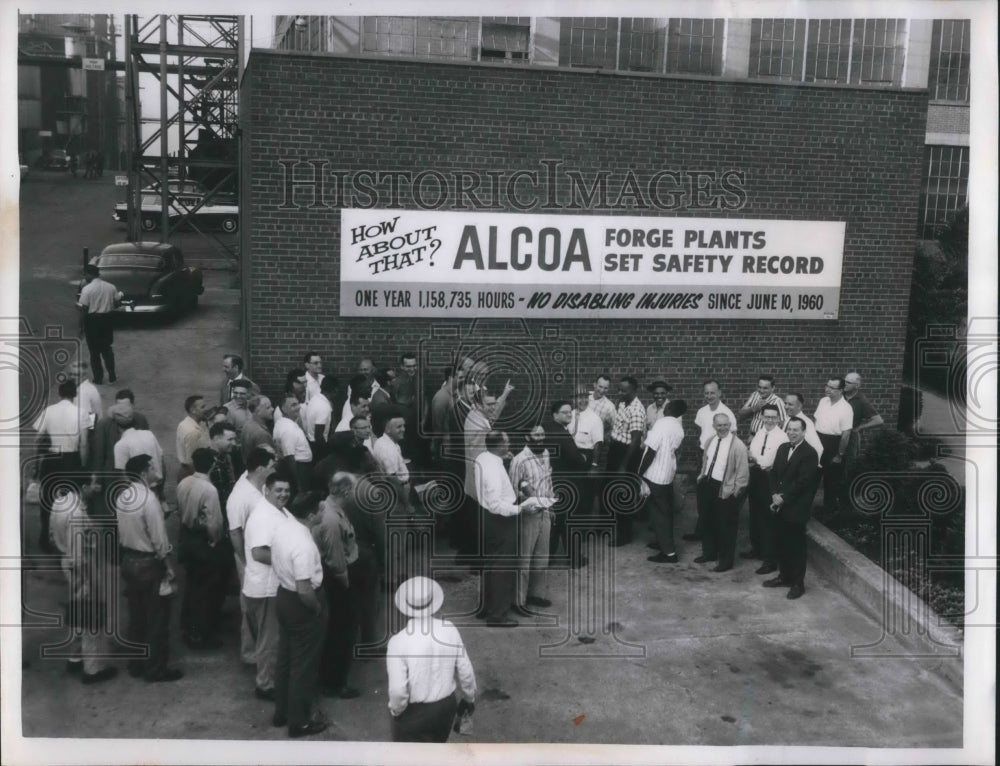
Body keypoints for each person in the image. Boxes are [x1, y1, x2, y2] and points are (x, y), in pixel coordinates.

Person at [115, 454, 182, 682]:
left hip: (129, 560)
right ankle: (156, 669)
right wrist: (168, 565)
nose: (156, 471)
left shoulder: (123, 496)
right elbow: (159, 539)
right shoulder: (149, 500)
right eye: (152, 467)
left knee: (137, 615)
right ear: (144, 472)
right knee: (157, 618)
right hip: (148, 563)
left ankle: (137, 663)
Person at [386, 576, 477, 743]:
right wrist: (469, 698)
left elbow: (398, 691)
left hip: (415, 713)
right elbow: (466, 672)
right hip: (445, 707)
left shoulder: (398, 642)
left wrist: (396, 712)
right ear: (433, 604)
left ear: (405, 608)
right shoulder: (449, 629)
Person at [270, 489, 328, 738]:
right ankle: (300, 721)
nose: (324, 513)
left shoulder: (284, 528)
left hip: (283, 595)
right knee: (303, 665)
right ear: (312, 514)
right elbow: (305, 589)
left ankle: (281, 711)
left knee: (285, 658)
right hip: (301, 602)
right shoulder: (303, 544)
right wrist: (317, 608)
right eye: (321, 509)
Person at [49, 472, 117, 683]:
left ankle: (75, 657)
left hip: (66, 560)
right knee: (90, 617)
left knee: (78, 613)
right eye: (95, 484)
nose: (98, 488)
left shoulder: (60, 502)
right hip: (82, 566)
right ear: (84, 486)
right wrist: (87, 581)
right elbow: (79, 554)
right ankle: (93, 670)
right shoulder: (77, 514)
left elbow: (51, 536)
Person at [475, 431, 541, 628]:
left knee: (491, 564)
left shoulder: (484, 457)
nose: (509, 445)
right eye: (507, 443)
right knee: (503, 568)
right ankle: (498, 615)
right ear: (500, 446)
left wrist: (503, 459)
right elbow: (496, 504)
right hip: (500, 519)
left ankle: (486, 607)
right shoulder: (494, 470)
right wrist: (521, 507)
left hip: (486, 516)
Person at [313, 472, 369, 700]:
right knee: (341, 632)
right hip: (339, 582)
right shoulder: (332, 520)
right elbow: (336, 561)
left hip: (338, 576)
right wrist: (347, 586)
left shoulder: (330, 508)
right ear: (345, 491)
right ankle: (336, 683)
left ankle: (332, 678)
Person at [243, 471, 293, 702]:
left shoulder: (276, 510)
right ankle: (265, 684)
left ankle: (270, 678)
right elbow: (259, 552)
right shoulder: (264, 516)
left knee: (270, 637)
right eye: (278, 490)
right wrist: (292, 559)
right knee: (268, 640)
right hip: (265, 588)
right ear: (267, 490)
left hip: (271, 586)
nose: (284, 494)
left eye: (287, 490)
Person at [227, 446, 277, 666]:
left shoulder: (255, 483)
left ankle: (256, 649)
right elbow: (235, 531)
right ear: (259, 469)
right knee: (250, 605)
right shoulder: (240, 497)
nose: (274, 468)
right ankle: (250, 653)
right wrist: (245, 562)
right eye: (271, 465)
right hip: (249, 557)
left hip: (259, 554)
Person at [176, 448, 228, 650]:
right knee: (206, 590)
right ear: (213, 465)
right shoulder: (209, 490)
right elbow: (214, 523)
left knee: (192, 585)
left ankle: (187, 626)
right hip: (202, 540)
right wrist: (215, 542)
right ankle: (202, 633)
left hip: (187, 536)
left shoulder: (183, 483)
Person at [765, 417, 821, 600]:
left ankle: (798, 583)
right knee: (781, 542)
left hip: (796, 507)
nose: (791, 432)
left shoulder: (810, 453)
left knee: (796, 546)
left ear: (804, 432)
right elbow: (773, 473)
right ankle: (784, 576)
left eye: (796, 430)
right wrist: (774, 494)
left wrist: (783, 498)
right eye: (789, 429)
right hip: (779, 503)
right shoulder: (782, 447)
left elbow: (803, 483)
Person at [32, 379, 88, 551]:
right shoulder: (82, 412)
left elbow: (37, 438)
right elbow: (85, 444)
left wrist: (38, 461)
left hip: (51, 459)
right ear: (75, 395)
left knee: (47, 500)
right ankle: (70, 540)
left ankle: (45, 539)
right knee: (71, 502)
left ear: (60, 393)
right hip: (71, 460)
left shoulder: (48, 411)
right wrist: (84, 467)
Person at [694, 413, 749, 573]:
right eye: (719, 425)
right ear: (714, 426)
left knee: (726, 526)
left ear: (730, 425)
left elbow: (743, 472)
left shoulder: (737, 445)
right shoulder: (711, 440)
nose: (723, 428)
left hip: (725, 488)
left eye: (726, 425)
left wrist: (735, 491)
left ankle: (726, 561)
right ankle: (709, 553)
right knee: (707, 519)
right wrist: (702, 476)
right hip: (708, 484)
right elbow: (706, 460)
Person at [508, 425, 555, 612]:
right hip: (528, 515)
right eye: (536, 434)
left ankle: (536, 595)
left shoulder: (545, 454)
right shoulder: (519, 460)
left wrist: (551, 505)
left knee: (542, 557)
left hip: (545, 512)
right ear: (527, 437)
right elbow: (513, 490)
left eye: (543, 433)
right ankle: (518, 602)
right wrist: (528, 501)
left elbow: (549, 481)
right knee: (524, 559)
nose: (541, 437)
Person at [686, 380, 736, 542]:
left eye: (712, 393)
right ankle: (700, 531)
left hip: (719, 458)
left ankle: (713, 533)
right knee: (702, 496)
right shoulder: (701, 412)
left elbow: (732, 439)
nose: (709, 396)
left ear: (720, 393)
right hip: (704, 456)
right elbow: (701, 432)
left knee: (715, 497)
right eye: (706, 393)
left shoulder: (726, 413)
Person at [638, 399, 687, 563]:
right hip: (667, 473)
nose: (665, 407)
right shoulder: (678, 428)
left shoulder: (661, 423)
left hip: (655, 473)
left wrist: (639, 472)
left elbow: (650, 450)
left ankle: (669, 553)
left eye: (667, 406)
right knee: (663, 510)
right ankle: (662, 543)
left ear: (670, 409)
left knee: (660, 513)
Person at [743, 404, 789, 574]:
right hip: (755, 476)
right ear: (761, 417)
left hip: (770, 479)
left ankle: (770, 560)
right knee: (755, 513)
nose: (769, 420)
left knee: (769, 518)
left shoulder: (782, 437)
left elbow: (780, 464)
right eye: (766, 416)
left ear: (778, 419)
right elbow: (753, 452)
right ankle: (757, 549)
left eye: (773, 417)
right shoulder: (760, 432)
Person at [546, 400, 590, 569]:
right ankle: (574, 559)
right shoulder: (562, 434)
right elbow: (576, 459)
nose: (569, 414)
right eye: (564, 412)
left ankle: (548, 557)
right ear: (555, 415)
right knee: (569, 522)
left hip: (552, 481)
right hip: (567, 483)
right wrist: (584, 459)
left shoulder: (548, 429)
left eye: (570, 412)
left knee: (555, 522)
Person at [606, 376, 645, 547]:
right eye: (619, 389)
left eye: (624, 390)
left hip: (627, 454)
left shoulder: (637, 410)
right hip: (615, 450)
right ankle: (610, 526)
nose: (620, 393)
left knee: (623, 495)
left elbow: (635, 440)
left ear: (634, 391)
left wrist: (623, 466)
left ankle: (625, 535)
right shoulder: (622, 403)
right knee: (610, 490)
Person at [814, 377, 854, 517]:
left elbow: (846, 435)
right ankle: (805, 508)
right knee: (811, 477)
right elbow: (817, 422)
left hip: (834, 444)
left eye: (832, 388)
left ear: (841, 390)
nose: (827, 389)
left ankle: (828, 512)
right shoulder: (823, 401)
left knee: (831, 482)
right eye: (827, 386)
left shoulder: (846, 408)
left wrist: (839, 455)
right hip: (818, 442)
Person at [77, 263, 123, 385]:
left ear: (90, 274)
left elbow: (84, 309)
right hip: (107, 320)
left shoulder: (87, 289)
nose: (85, 277)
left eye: (85, 274)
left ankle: (98, 377)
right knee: (107, 348)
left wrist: (81, 327)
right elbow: (118, 304)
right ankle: (112, 373)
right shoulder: (111, 287)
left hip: (92, 321)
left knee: (94, 351)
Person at [91, 389, 149, 474]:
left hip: (136, 474)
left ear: (133, 405)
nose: (122, 411)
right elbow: (99, 455)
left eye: (126, 407)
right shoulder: (104, 425)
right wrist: (97, 479)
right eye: (119, 407)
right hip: (112, 476)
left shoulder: (141, 420)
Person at [272, 393, 314, 493]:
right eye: (293, 405)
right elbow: (290, 458)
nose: (298, 407)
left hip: (301, 467)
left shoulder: (285, 423)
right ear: (284, 409)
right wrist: (298, 484)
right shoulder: (288, 428)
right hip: (299, 469)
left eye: (298, 403)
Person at [113, 417, 166, 495]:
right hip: (155, 489)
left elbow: (122, 477)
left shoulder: (120, 445)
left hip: (136, 493)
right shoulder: (149, 434)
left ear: (117, 427)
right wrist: (161, 493)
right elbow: (162, 462)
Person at [843, 372, 884, 463]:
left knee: (848, 465)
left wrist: (860, 427)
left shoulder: (861, 401)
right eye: (844, 381)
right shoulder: (839, 396)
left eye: (848, 382)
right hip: (835, 436)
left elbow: (878, 420)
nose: (845, 384)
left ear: (856, 386)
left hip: (850, 438)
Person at [737, 374, 787, 440]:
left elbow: (783, 423)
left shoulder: (778, 401)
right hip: (753, 436)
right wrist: (753, 408)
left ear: (773, 388)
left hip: (769, 438)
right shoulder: (755, 395)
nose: (761, 390)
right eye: (759, 387)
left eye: (765, 388)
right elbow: (741, 413)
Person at [304, 375, 339, 461]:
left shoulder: (315, 398)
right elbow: (319, 435)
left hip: (312, 443)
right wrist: (326, 454)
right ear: (335, 390)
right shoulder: (324, 406)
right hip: (318, 447)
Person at [782, 393, 824, 464]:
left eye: (790, 404)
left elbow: (818, 448)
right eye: (785, 403)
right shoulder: (788, 419)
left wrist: (812, 467)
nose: (786, 406)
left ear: (799, 406)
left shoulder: (806, 422)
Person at [176, 395, 211, 480]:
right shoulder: (193, 432)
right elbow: (191, 462)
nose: (206, 409)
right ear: (193, 410)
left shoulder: (185, 423)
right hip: (192, 474)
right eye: (202, 407)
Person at [241, 395, 276, 464]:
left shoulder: (247, 424)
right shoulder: (261, 434)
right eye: (268, 408)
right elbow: (267, 462)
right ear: (258, 411)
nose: (272, 409)